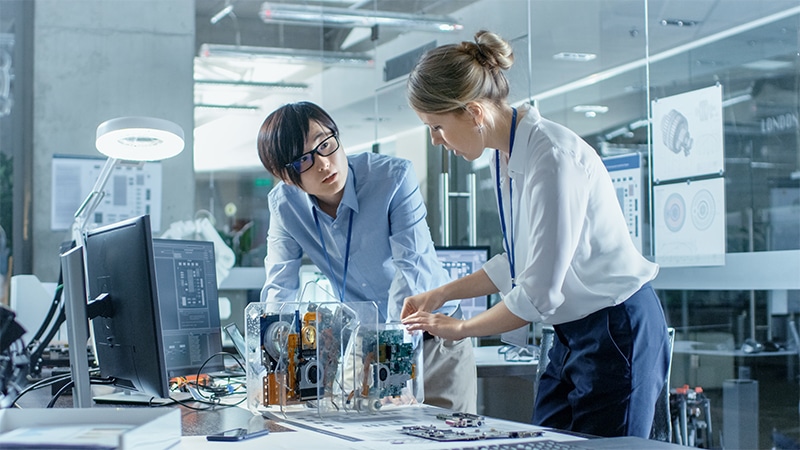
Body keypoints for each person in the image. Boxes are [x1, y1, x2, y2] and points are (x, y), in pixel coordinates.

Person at [401, 30, 670, 438]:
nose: (437, 142)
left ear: (473, 112)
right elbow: (521, 261)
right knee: (544, 441)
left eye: (436, 127)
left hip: (616, 327)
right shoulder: (504, 154)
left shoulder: (553, 157)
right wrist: (442, 293)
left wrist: (459, 329)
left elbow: (539, 292)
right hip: (571, 332)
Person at [256, 101, 477, 413]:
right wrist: (276, 358)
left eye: (326, 144)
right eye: (304, 159)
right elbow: (280, 285)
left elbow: (411, 274)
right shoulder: (284, 206)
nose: (323, 163)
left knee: (448, 438)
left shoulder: (393, 178)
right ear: (286, 175)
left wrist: (392, 368)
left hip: (435, 338)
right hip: (365, 343)